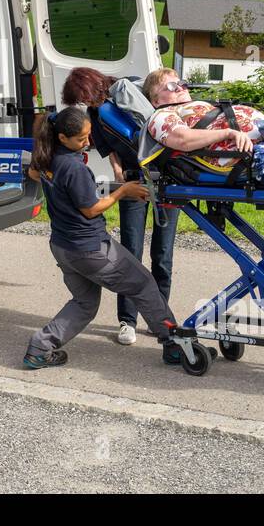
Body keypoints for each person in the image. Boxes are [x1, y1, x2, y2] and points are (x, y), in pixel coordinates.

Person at [22, 106, 182, 369]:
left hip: (63, 247)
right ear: (62, 137)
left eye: (88, 135)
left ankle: (41, 347)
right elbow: (91, 209)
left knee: (85, 303)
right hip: (90, 249)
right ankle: (175, 345)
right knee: (143, 284)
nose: (87, 143)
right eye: (81, 139)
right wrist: (123, 192)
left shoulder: (47, 158)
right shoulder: (73, 167)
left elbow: (33, 174)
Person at [61, 67, 179, 347]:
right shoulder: (95, 114)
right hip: (132, 179)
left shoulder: (127, 94)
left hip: (165, 178)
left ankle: (161, 317)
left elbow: (152, 125)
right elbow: (108, 148)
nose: (84, 105)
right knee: (131, 252)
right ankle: (128, 320)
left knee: (163, 253)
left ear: (92, 88)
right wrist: (117, 169)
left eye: (84, 98)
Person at [142, 67, 263, 163]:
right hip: (252, 156)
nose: (180, 88)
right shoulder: (161, 114)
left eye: (181, 83)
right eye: (171, 86)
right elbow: (182, 139)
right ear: (155, 101)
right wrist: (228, 132)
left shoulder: (195, 106)